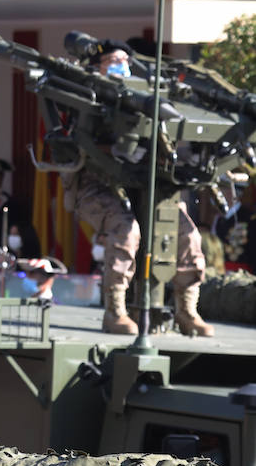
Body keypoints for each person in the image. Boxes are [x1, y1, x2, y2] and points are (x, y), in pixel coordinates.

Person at [65, 47, 213, 336]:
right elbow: (83, 144)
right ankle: (115, 311)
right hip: (98, 185)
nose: (121, 65)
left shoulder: (146, 95)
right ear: (98, 66)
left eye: (125, 60)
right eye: (113, 61)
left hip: (147, 184)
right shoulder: (86, 96)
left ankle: (187, 310)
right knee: (127, 230)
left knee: (187, 234)